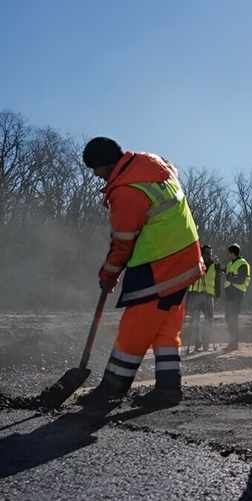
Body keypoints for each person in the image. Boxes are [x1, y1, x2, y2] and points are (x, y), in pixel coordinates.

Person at [80, 137, 203, 408]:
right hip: (186, 261)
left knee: (134, 329)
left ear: (107, 164)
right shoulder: (151, 165)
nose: (95, 176)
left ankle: (111, 390)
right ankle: (168, 389)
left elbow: (123, 242)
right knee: (165, 330)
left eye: (96, 169)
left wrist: (108, 275)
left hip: (160, 265)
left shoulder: (127, 190)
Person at [185, 244, 221, 352]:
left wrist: (217, 294)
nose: (208, 255)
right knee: (195, 321)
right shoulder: (195, 263)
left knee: (208, 321)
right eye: (206, 253)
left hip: (208, 296)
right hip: (196, 295)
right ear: (202, 253)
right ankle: (198, 343)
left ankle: (206, 344)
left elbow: (217, 280)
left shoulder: (215, 265)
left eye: (209, 253)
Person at [223, 244, 251, 351]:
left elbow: (241, 280)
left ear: (232, 253)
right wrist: (219, 267)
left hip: (237, 294)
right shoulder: (230, 263)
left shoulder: (243, 263)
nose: (227, 255)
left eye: (228, 253)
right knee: (229, 318)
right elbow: (226, 271)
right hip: (230, 294)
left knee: (233, 318)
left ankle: (234, 343)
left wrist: (230, 277)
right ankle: (232, 342)